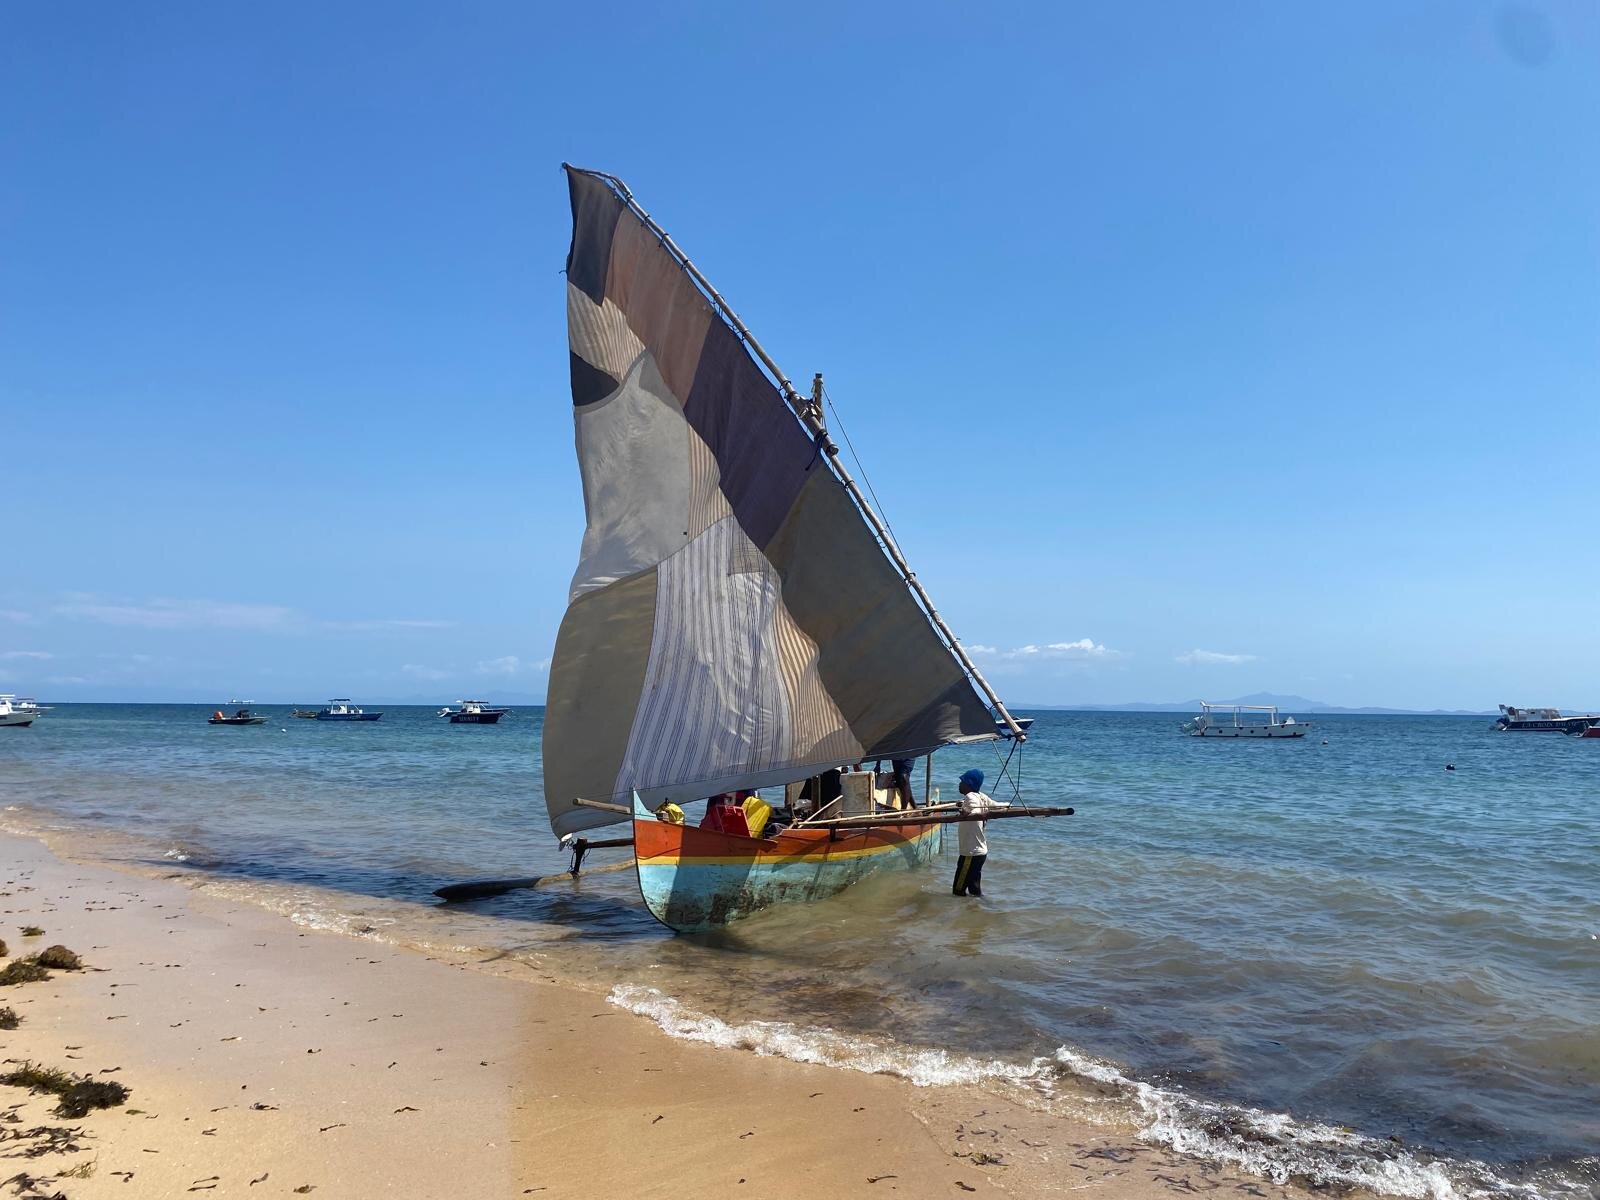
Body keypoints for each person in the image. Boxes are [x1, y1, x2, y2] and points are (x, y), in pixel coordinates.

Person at [952, 768, 1006, 898]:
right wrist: (1009, 804)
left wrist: (969, 813)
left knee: (958, 891)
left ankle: (962, 914)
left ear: (969, 784)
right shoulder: (981, 796)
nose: (959, 784)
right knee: (974, 891)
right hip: (980, 853)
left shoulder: (971, 797)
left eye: (962, 782)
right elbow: (998, 806)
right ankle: (978, 910)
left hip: (970, 854)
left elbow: (975, 811)